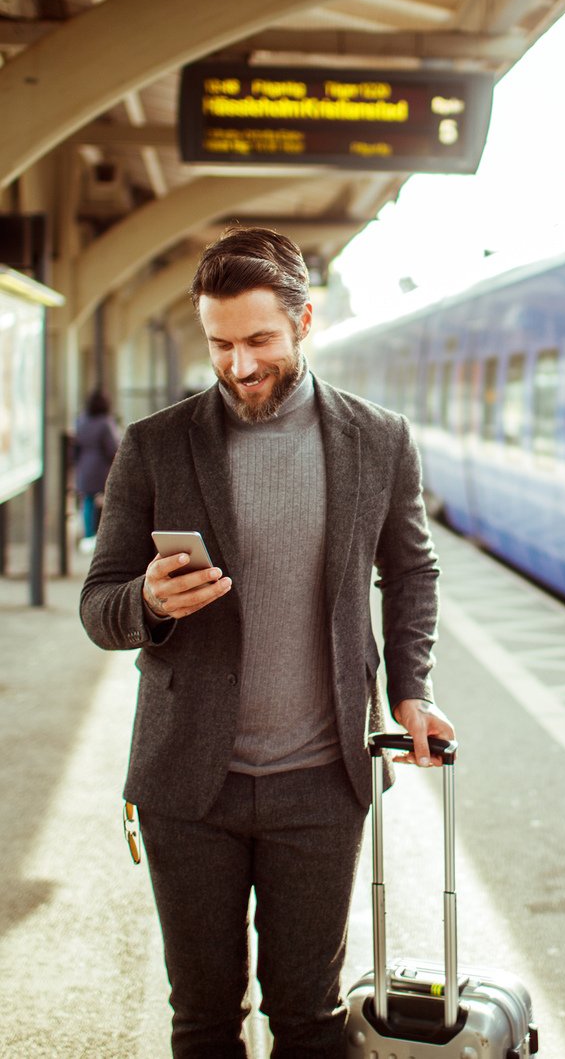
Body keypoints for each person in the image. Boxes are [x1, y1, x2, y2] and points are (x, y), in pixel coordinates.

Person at [80, 226, 453, 1059]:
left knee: (309, 1017)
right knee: (205, 1018)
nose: (240, 365)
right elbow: (98, 606)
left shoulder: (377, 439)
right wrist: (146, 600)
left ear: (305, 320)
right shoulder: (155, 445)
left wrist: (411, 689)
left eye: (259, 341)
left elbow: (412, 571)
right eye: (220, 344)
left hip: (322, 785)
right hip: (188, 789)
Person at [74, 388, 121, 551]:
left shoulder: (81, 420)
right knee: (105, 501)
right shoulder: (105, 422)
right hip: (101, 467)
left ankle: (87, 536)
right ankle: (103, 537)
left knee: (87, 501)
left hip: (84, 465)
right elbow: (113, 448)